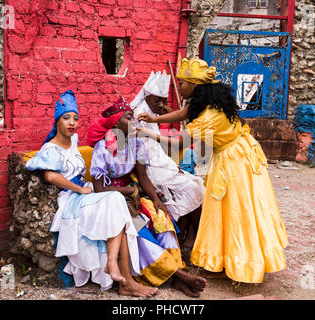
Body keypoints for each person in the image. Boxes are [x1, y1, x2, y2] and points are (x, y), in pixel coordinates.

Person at [137, 58, 289, 284]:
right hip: (239, 153)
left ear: (195, 85)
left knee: (236, 210)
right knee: (228, 209)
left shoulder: (208, 117)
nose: (180, 87)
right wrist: (155, 119)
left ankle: (240, 262)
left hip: (235, 162)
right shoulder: (207, 103)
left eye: (183, 83)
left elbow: (179, 142)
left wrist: (148, 132)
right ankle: (224, 260)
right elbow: (184, 112)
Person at [25, 89, 157, 297]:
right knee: (115, 199)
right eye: (66, 118)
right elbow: (50, 177)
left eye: (75, 119)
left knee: (117, 205)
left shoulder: (73, 142)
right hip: (70, 200)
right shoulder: (51, 149)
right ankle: (121, 275)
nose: (72, 123)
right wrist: (79, 189)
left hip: (85, 197)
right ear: (56, 121)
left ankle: (118, 271)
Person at [86, 97, 207, 297]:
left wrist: (157, 201)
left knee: (161, 219)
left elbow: (142, 177)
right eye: (128, 118)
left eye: (133, 118)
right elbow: (99, 189)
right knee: (138, 228)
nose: (134, 123)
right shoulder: (102, 149)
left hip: (132, 193)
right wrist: (129, 191)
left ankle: (176, 275)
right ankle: (177, 275)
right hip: (110, 198)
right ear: (116, 124)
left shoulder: (136, 144)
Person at [130, 71, 205, 250]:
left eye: (164, 101)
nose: (162, 105)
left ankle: (190, 234)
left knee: (198, 183)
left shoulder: (151, 113)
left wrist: (172, 165)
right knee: (192, 187)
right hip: (149, 168)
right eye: (158, 101)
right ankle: (192, 235)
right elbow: (144, 152)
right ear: (147, 97)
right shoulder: (139, 114)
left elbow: (158, 148)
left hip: (160, 163)